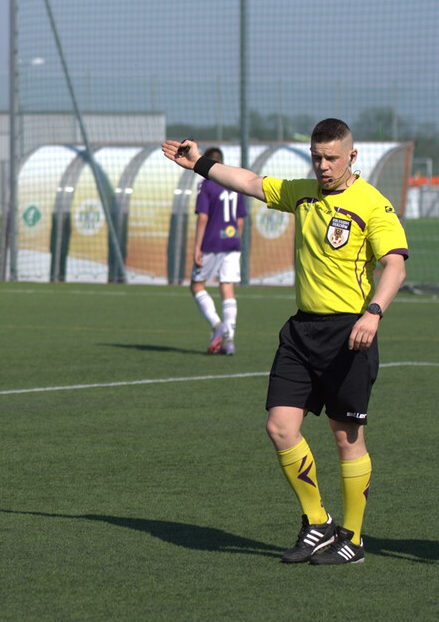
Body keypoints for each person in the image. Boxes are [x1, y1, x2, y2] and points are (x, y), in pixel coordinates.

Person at [162, 119, 409, 565]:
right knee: (280, 427)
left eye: (332, 158)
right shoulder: (303, 192)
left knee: (346, 438)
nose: (323, 166)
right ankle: (317, 522)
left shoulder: (373, 204)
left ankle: (352, 539)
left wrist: (373, 313)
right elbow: (252, 183)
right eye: (317, 157)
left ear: (352, 156)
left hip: (349, 333)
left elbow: (394, 265)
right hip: (301, 331)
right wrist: (198, 164)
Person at [189, 147, 247, 355]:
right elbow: (240, 218)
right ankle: (229, 340)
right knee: (227, 287)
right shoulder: (233, 182)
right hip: (232, 243)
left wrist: (197, 246)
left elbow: (203, 217)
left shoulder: (206, 184)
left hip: (211, 242)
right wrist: (234, 238)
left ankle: (217, 325)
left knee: (196, 286)